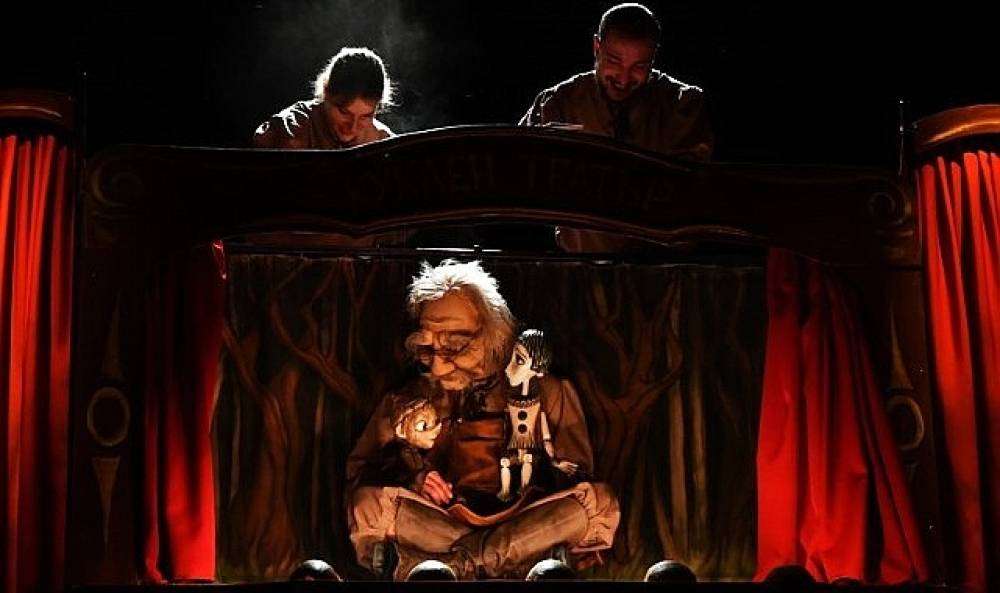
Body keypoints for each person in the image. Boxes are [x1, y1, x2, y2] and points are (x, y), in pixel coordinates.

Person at [346, 260, 619, 580]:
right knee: (367, 505)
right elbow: (361, 469)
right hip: (443, 523)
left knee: (598, 503)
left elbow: (578, 472)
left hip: (525, 519)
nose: (438, 366)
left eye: (453, 348)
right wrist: (416, 475)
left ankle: (455, 565)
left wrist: (540, 473)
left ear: (491, 334)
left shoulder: (548, 391)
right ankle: (510, 562)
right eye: (429, 349)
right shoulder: (411, 396)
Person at [519, 3, 713, 161]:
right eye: (614, 61)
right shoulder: (556, 104)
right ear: (597, 47)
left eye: (639, 66)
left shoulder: (682, 106)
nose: (623, 79)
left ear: (653, 57)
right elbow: (520, 165)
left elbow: (690, 183)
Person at [253, 47, 394, 149]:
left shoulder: (383, 143)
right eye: (344, 112)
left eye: (365, 116)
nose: (352, 127)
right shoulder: (290, 130)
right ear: (326, 92)